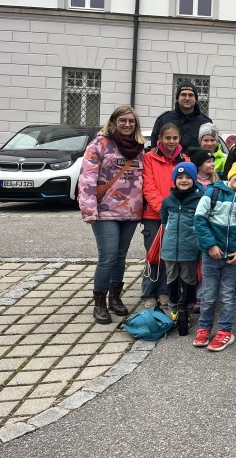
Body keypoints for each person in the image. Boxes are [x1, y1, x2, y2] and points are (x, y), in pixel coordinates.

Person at [78, 105, 145, 324]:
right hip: (105, 210)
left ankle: (115, 298)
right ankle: (99, 302)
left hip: (131, 211)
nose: (127, 125)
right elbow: (87, 178)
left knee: (120, 256)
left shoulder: (140, 148)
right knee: (107, 255)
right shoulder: (99, 144)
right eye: (123, 120)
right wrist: (88, 209)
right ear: (114, 121)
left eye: (131, 121)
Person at [193, 161, 236, 352]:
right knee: (208, 295)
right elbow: (199, 220)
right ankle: (204, 328)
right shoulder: (213, 192)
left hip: (232, 258)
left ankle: (225, 331)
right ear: (231, 174)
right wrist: (211, 245)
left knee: (228, 296)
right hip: (211, 256)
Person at [142, 122, 187, 309]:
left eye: (175, 138)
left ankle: (164, 291)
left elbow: (187, 184)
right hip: (154, 214)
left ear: (179, 139)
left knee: (168, 254)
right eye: (167, 138)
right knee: (153, 254)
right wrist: (162, 208)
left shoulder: (184, 159)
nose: (171, 141)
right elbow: (148, 185)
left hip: (176, 214)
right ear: (160, 139)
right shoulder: (150, 158)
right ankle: (148, 293)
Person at [160, 162, 203, 331]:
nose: (183, 180)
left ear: (194, 179)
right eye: (179, 177)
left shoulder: (199, 200)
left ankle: (187, 307)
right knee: (171, 279)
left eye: (188, 177)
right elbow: (164, 222)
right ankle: (173, 309)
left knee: (189, 279)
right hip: (170, 248)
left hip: (190, 248)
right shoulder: (167, 201)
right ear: (174, 180)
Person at [150, 80, 212, 153]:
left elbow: (210, 149)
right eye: (183, 95)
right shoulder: (164, 119)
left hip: (195, 164)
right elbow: (155, 148)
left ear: (196, 99)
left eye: (191, 95)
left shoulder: (205, 122)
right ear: (177, 98)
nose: (187, 98)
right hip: (169, 164)